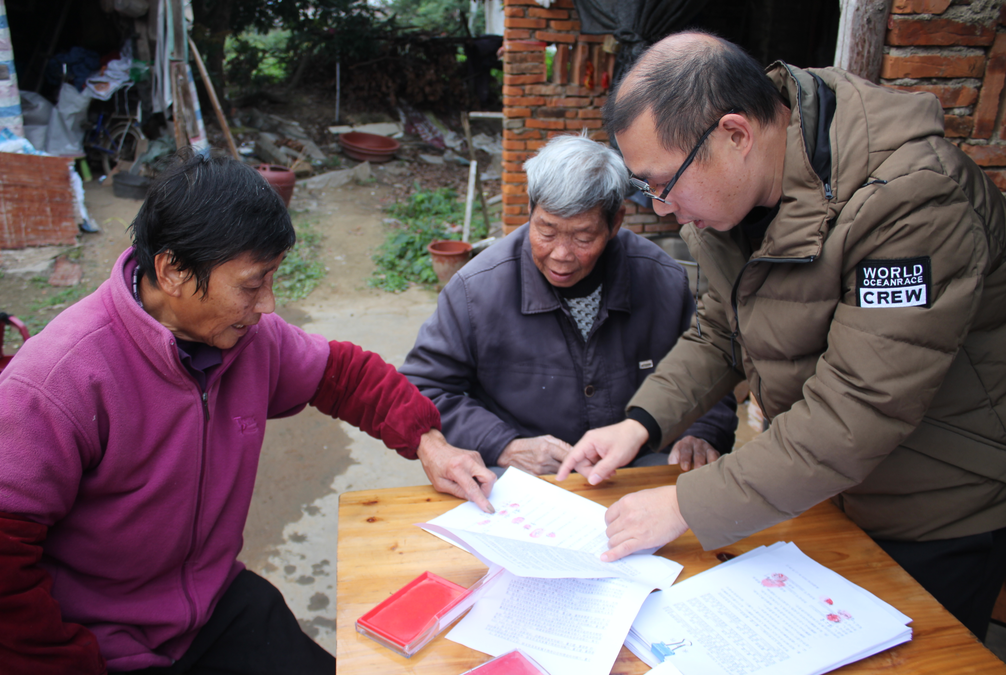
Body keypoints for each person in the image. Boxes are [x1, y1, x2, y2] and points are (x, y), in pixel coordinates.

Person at [556, 31, 1006, 640]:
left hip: (934, 504)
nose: (661, 208)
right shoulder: (733, 201)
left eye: (664, 183)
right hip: (824, 488)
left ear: (735, 135)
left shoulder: (910, 202)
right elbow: (722, 328)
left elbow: (859, 410)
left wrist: (687, 505)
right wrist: (639, 424)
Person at [0, 152, 496, 675]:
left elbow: (344, 374)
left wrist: (429, 442)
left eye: (272, 278)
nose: (269, 305)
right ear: (171, 271)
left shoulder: (249, 340)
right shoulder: (59, 379)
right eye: (252, 284)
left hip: (212, 606)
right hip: (102, 642)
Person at [401, 133, 736, 477]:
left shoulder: (661, 279)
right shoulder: (476, 289)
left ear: (615, 223)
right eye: (546, 232)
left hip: (630, 469)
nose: (561, 255)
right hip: (525, 478)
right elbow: (423, 389)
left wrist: (702, 432)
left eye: (582, 238)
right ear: (530, 211)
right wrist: (503, 444)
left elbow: (712, 370)